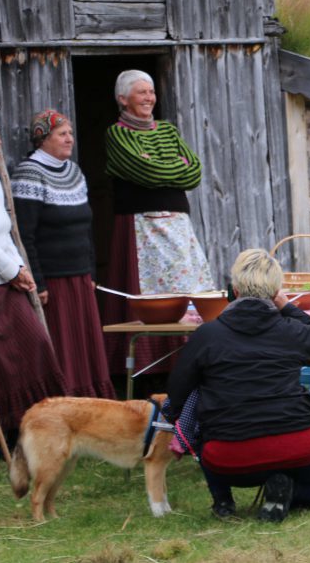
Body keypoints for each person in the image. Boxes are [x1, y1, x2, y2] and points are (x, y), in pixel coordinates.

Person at [165, 249, 310, 522]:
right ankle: (289, 491)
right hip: (298, 445)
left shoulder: (207, 335)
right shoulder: (289, 330)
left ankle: (223, 499)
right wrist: (286, 305)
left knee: (198, 417)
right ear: (276, 292)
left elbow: (177, 393)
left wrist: (178, 419)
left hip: (228, 457)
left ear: (233, 290)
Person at [101, 70, 213, 386]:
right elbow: (143, 170)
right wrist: (172, 167)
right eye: (141, 93)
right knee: (153, 290)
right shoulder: (118, 134)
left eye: (151, 92)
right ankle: (154, 370)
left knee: (189, 283)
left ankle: (193, 357)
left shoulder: (167, 130)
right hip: (143, 226)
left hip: (179, 222)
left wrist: (162, 165)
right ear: (123, 99)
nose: (149, 98)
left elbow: (194, 173)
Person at [0, 108, 66, 441]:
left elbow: (3, 230)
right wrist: (10, 271)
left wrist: (21, 270)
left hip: (5, 275)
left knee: (34, 344)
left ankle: (39, 421)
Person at [11, 110, 115, 399]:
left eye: (70, 133)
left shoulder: (74, 172)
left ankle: (92, 401)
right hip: (53, 283)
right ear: (42, 139)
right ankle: (65, 402)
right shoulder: (29, 173)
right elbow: (24, 236)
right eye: (62, 134)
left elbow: (87, 228)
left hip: (80, 276)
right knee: (63, 344)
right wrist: (39, 282)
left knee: (85, 342)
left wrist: (91, 273)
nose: (70, 139)